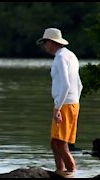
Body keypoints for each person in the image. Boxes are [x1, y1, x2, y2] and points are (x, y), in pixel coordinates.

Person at [37, 28, 83, 178]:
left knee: (61, 144)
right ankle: (60, 172)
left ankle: (70, 173)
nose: (45, 46)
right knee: (55, 142)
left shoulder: (60, 58)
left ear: (52, 42)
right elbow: (79, 85)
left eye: (45, 42)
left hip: (63, 104)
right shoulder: (71, 55)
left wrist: (58, 108)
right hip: (71, 103)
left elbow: (66, 85)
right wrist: (74, 102)